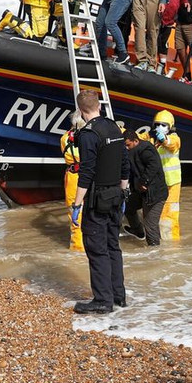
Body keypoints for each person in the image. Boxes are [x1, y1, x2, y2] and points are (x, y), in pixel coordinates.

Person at [70, 90, 130, 313]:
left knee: (97, 249)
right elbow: (125, 164)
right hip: (116, 195)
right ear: (99, 106)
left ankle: (103, 300)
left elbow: (86, 173)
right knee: (113, 246)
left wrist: (77, 204)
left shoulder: (88, 135)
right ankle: (118, 296)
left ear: (80, 110)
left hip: (97, 200)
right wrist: (123, 193)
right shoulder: (114, 127)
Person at [123, 129, 168, 246]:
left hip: (155, 194)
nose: (127, 148)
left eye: (128, 145)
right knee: (128, 207)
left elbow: (154, 165)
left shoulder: (145, 150)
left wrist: (144, 182)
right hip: (140, 192)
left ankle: (155, 254)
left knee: (150, 225)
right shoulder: (133, 150)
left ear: (136, 141)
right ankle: (138, 231)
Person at [146, 110, 182, 240]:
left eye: (163, 125)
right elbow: (137, 138)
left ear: (170, 126)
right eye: (157, 124)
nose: (159, 127)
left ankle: (172, 245)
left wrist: (164, 139)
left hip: (171, 184)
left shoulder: (174, 138)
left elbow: (171, 144)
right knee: (156, 215)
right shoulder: (151, 137)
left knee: (169, 217)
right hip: (157, 183)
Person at [61, 111, 85, 251]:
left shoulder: (65, 138)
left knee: (75, 211)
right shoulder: (89, 136)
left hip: (73, 176)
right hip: (88, 174)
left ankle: (77, 247)